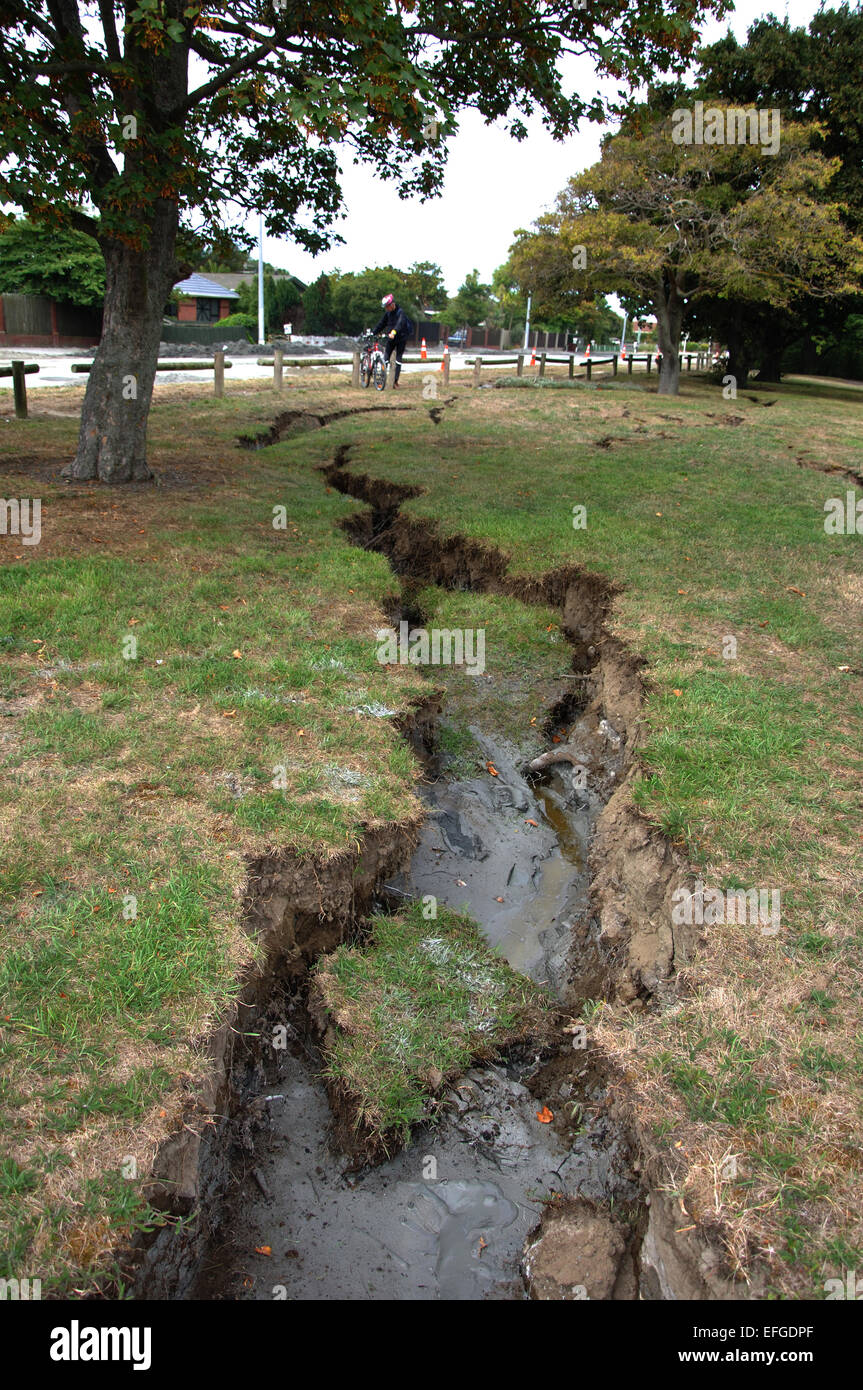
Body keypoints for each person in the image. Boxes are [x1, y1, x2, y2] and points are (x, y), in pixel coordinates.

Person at [372, 293, 412, 386]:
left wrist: (394, 332)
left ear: (392, 304)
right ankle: (382, 378)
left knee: (398, 358)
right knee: (386, 357)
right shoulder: (388, 313)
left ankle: (395, 380)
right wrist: (373, 332)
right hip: (391, 338)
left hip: (401, 337)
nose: (386, 309)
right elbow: (381, 324)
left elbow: (400, 323)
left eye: (387, 306)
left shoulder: (400, 312)